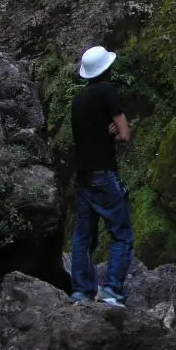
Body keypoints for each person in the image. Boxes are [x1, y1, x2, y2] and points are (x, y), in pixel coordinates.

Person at [69, 45, 133, 307]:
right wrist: (115, 133)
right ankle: (111, 291)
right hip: (104, 175)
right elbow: (125, 135)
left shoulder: (77, 101)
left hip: (82, 176)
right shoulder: (107, 92)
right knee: (122, 235)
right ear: (107, 69)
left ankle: (82, 292)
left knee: (83, 236)